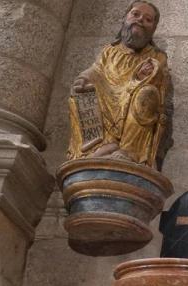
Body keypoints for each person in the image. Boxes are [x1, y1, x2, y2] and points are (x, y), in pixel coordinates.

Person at [68, 1, 172, 168]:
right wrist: (84, 78)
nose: (140, 20)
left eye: (148, 19)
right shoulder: (110, 50)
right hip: (108, 93)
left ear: (153, 29)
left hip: (134, 95)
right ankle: (95, 147)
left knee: (146, 94)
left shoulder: (157, 56)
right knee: (80, 94)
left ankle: (128, 151)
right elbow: (96, 70)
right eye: (135, 14)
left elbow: (160, 84)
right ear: (125, 18)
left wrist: (146, 75)